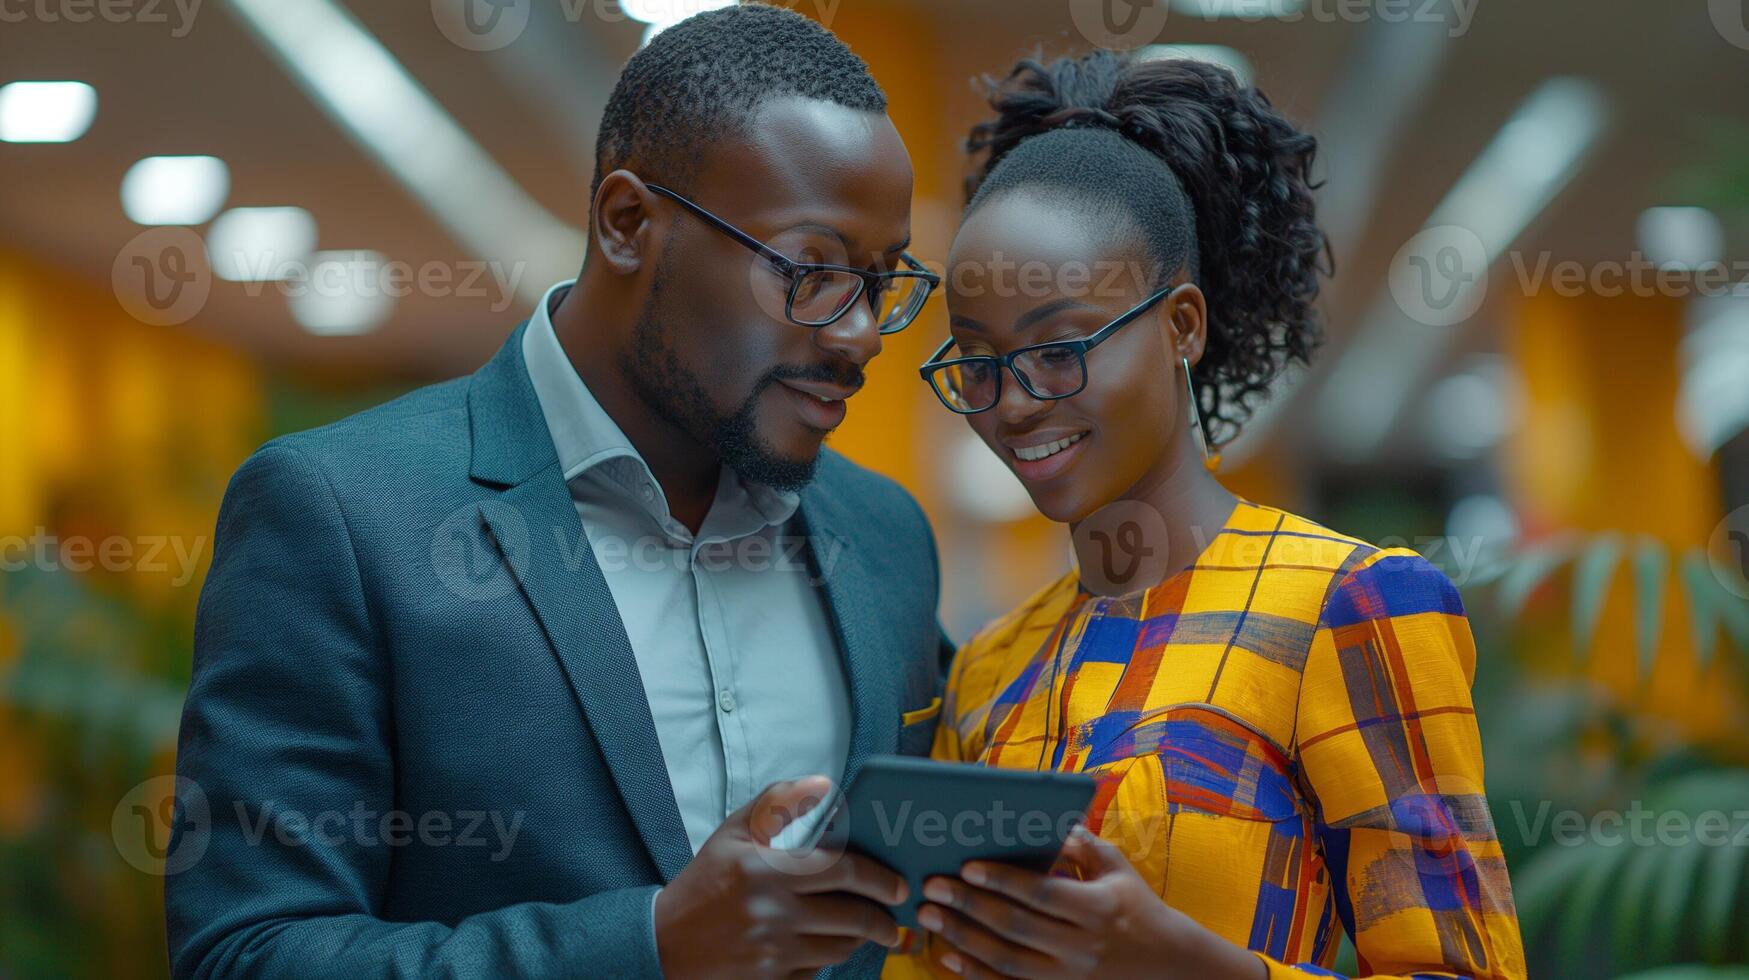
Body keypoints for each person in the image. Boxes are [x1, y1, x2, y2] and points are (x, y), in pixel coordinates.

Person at [167, 6, 952, 978]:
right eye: (813, 271)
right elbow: (247, 953)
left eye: (883, 281)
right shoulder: (340, 514)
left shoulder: (883, 538)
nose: (861, 333)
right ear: (628, 223)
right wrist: (649, 944)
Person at [885, 50, 1526, 979]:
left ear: (1182, 325)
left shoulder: (1347, 607)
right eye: (976, 361)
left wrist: (1172, 960)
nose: (1012, 402)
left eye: (1060, 348)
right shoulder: (991, 665)